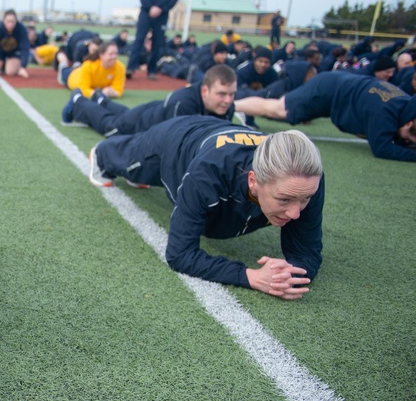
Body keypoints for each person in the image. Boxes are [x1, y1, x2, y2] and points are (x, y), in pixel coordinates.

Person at [90, 117, 324, 300]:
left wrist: (290, 275)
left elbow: (307, 253)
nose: (296, 213)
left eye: (305, 199)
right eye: (284, 200)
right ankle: (101, 153)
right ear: (253, 181)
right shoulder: (207, 176)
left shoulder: (305, 180)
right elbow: (179, 254)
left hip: (217, 135)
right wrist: (250, 276)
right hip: (178, 139)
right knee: (126, 160)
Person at [234, 73, 416, 162]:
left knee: (278, 106)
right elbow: (382, 149)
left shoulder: (406, 104)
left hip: (337, 86)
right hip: (329, 89)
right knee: (278, 109)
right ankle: (232, 105)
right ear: (408, 123)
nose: (406, 141)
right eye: (409, 138)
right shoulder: (385, 114)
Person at [62, 63, 237, 137]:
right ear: (205, 90)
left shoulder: (226, 106)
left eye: (231, 94)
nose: (227, 100)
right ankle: (78, 101)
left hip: (155, 110)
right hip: (144, 125)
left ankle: (101, 99)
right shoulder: (183, 104)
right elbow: (172, 145)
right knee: (111, 127)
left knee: (126, 114)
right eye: (221, 94)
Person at [0, 10, 31, 78]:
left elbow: (25, 48)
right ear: (4, 21)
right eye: (8, 21)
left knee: (10, 72)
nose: (10, 24)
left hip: (14, 52)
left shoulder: (21, 29)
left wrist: (23, 67)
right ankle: (2, 64)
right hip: (0, 51)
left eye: (12, 21)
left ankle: (10, 65)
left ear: (16, 21)